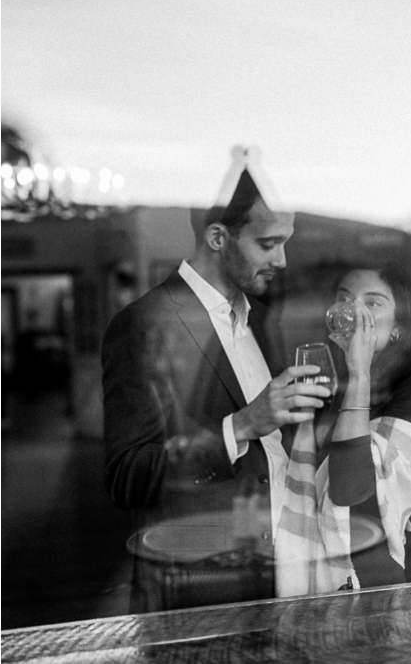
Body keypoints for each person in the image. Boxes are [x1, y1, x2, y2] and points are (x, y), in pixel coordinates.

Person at [101, 171, 332, 612]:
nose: (283, 260)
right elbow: (127, 478)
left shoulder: (259, 318)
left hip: (281, 576)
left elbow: (270, 456)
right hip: (201, 591)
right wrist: (241, 426)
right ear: (217, 237)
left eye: (286, 241)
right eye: (268, 244)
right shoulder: (142, 325)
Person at [274, 264, 411, 595]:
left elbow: (349, 489)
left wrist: (360, 373)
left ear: (398, 327)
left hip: (365, 581)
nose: (353, 312)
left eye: (373, 303)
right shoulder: (326, 382)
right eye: (344, 299)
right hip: (304, 572)